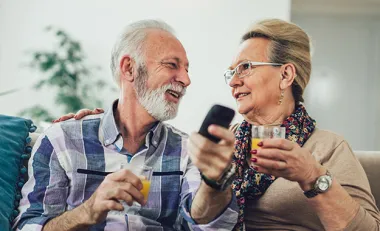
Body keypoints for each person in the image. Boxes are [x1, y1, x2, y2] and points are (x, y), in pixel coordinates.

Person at [68, 19, 380, 231]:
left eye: (245, 67)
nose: (234, 82)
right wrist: (108, 119)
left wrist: (312, 176)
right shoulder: (223, 143)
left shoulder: (327, 147)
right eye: (231, 72)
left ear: (285, 75)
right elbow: (196, 215)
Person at [13, 19, 238, 231]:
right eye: (172, 65)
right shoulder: (61, 139)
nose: (186, 80)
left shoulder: (187, 150)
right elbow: (30, 225)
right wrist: (87, 212)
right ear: (129, 68)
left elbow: (204, 223)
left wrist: (212, 182)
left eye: (187, 69)